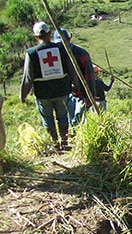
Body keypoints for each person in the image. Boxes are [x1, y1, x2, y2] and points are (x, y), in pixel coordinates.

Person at [20, 22, 78, 150]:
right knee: (63, 116)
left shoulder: (31, 53)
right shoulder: (62, 49)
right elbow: (71, 69)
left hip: (43, 93)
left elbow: (28, 77)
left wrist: (23, 95)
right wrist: (76, 85)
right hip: (62, 90)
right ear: (49, 33)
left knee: (47, 118)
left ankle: (55, 144)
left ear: (35, 37)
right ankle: (64, 142)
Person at [54, 28, 96, 127]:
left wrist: (90, 96)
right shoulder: (55, 53)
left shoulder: (81, 54)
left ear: (70, 39)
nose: (63, 45)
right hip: (61, 95)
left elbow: (89, 75)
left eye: (65, 41)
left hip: (79, 95)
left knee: (77, 122)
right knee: (64, 123)